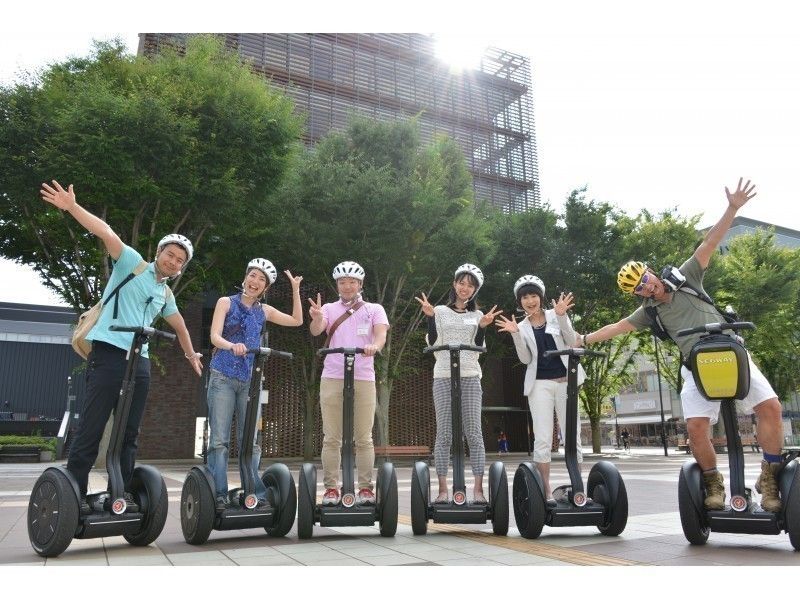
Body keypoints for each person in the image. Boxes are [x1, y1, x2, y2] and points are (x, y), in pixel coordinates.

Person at [576, 178, 785, 513]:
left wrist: (732, 208)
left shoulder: (688, 276)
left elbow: (710, 242)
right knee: (695, 426)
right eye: (638, 290)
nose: (645, 288)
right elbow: (617, 327)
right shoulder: (649, 312)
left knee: (771, 407)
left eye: (644, 280)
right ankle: (712, 481)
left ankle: (770, 476)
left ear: (651, 273)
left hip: (731, 350)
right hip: (696, 365)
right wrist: (583, 339)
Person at [40, 180, 203, 515]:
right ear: (159, 252)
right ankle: (75, 497)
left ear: (181, 268)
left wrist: (190, 354)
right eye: (170, 254)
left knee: (129, 434)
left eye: (179, 260)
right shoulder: (132, 263)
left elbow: (181, 326)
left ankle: (121, 495)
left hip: (138, 363)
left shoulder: (166, 294)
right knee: (92, 427)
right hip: (109, 354)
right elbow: (107, 232)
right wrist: (71, 207)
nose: (173, 261)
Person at [206, 259, 303, 511]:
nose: (255, 281)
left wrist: (294, 289)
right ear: (245, 277)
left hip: (250, 380)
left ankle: (252, 490)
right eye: (252, 275)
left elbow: (296, 320)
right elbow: (214, 335)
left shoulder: (265, 311)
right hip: (223, 376)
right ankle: (218, 493)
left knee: (252, 440)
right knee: (219, 440)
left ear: (265, 287)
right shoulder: (226, 302)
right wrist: (231, 345)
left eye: (261, 279)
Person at [416, 263, 502, 504]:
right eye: (461, 283)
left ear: (475, 290)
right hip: (443, 375)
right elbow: (434, 342)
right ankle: (443, 490)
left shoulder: (478, 316)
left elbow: (479, 348)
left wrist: (483, 327)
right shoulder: (440, 311)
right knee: (444, 434)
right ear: (454, 284)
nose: (465, 288)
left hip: (470, 376)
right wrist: (431, 318)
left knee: (474, 433)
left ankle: (477, 489)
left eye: (470, 285)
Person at [308, 261, 389, 506]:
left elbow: (381, 333)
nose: (347, 286)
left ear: (360, 284)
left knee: (363, 437)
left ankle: (365, 489)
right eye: (342, 282)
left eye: (352, 282)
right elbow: (316, 330)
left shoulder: (374, 309)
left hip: (363, 376)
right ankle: (331, 489)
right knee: (331, 437)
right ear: (337, 285)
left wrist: (375, 346)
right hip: (332, 375)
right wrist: (316, 318)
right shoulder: (330, 308)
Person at [495, 275, 581, 504]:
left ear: (541, 297)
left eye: (533, 295)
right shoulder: (521, 326)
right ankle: (545, 491)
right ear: (520, 301)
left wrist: (562, 316)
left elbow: (572, 340)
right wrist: (515, 334)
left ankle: (579, 488)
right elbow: (525, 359)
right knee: (542, 438)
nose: (530, 300)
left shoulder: (556, 314)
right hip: (539, 384)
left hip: (566, 381)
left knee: (573, 435)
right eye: (525, 297)